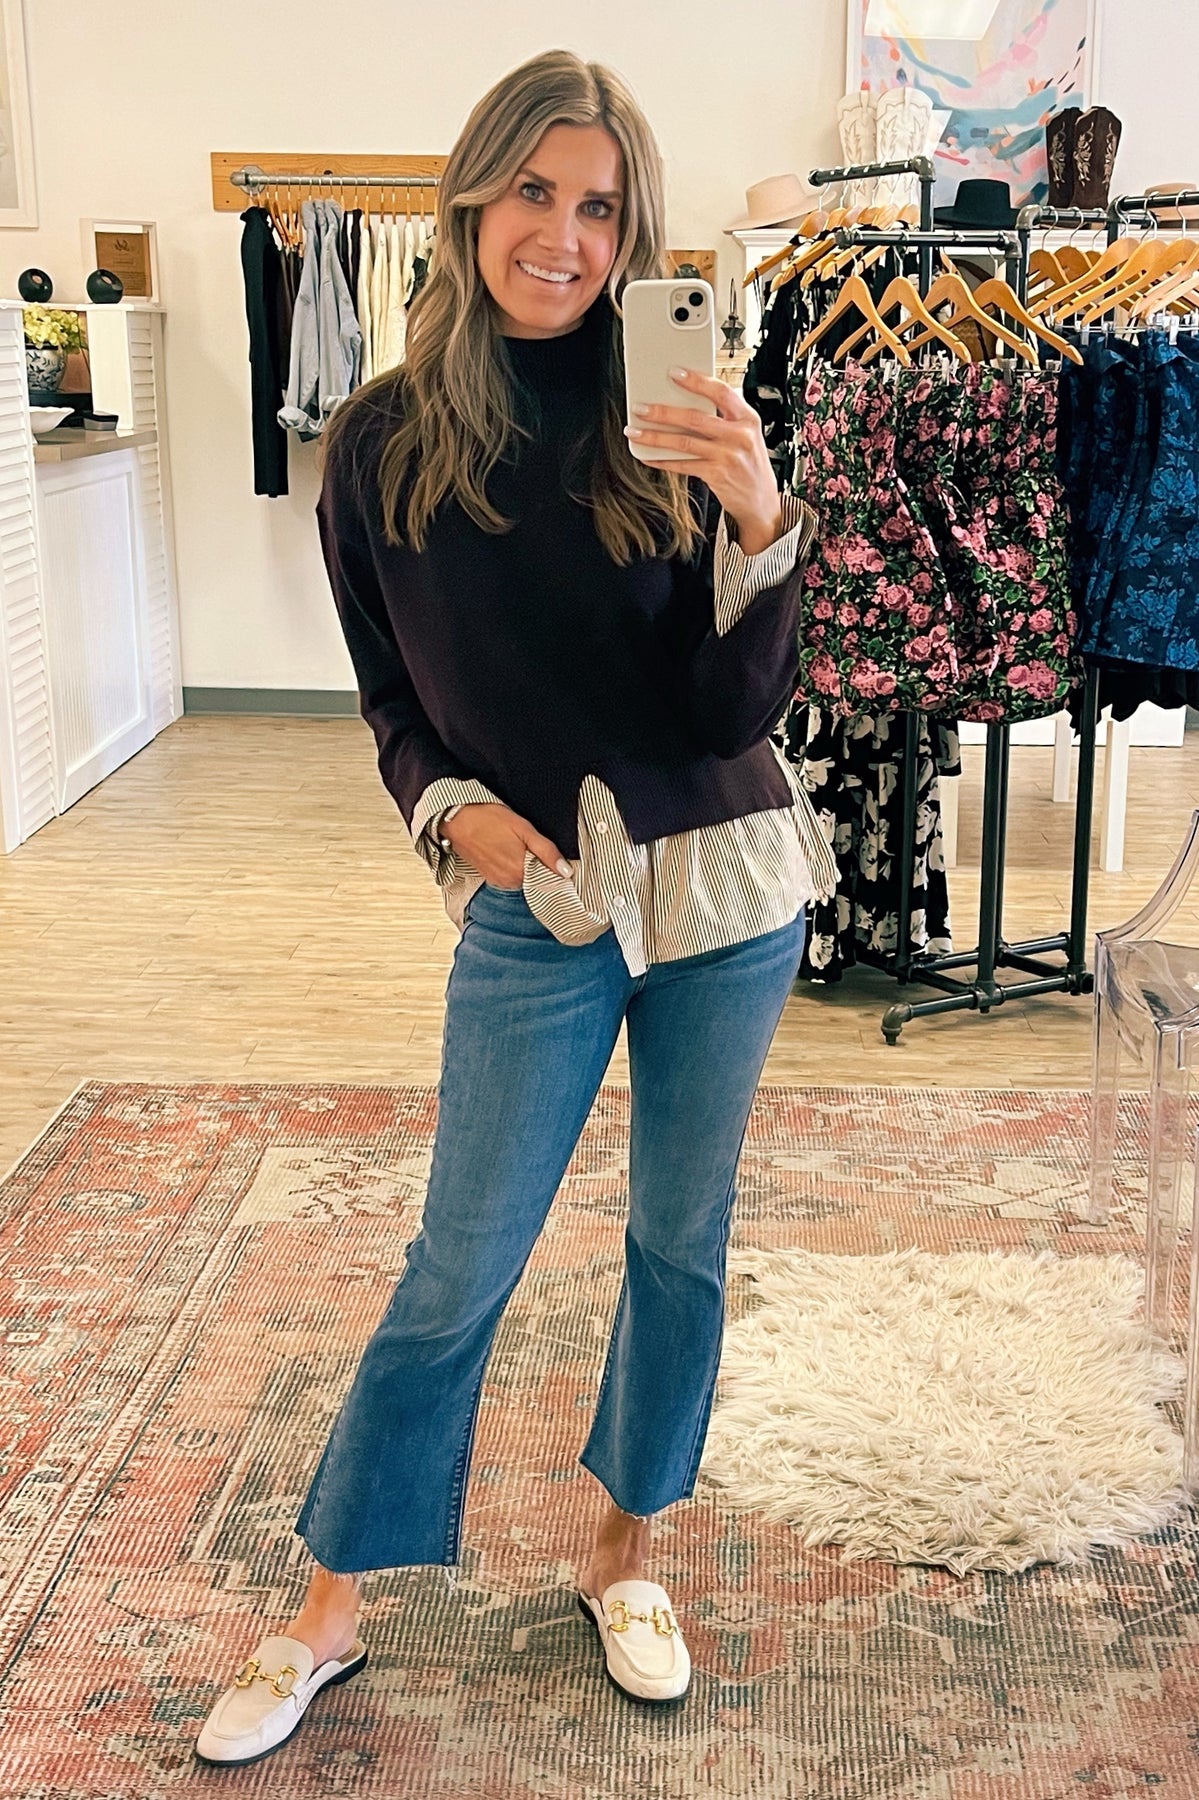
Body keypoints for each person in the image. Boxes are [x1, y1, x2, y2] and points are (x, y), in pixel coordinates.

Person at [195, 47, 832, 1767]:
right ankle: (328, 1609)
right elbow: (390, 703)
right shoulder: (378, 447)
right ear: (473, 198)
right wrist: (455, 820)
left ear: (635, 233)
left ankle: (624, 1554)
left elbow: (731, 713)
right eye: (535, 193)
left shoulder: (668, 413)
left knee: (679, 1241)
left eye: (601, 207)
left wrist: (759, 522)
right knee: (460, 1256)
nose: (564, 235)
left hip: (722, 889)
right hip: (537, 901)